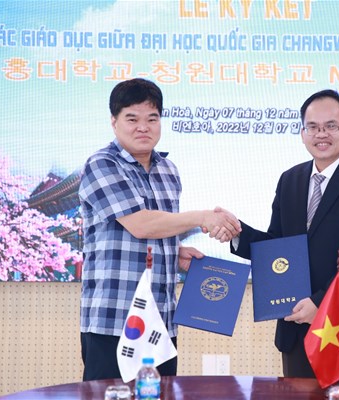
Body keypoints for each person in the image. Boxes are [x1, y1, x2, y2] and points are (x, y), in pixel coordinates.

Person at [79, 78, 240, 381]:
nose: (143, 127)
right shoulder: (101, 164)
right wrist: (202, 217)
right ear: (114, 122)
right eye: (132, 119)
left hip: (162, 322)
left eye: (152, 119)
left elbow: (156, 230)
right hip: (115, 320)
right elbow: (141, 224)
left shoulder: (168, 170)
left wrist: (174, 252)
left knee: (161, 395)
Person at [228, 89, 339, 380]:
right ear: (303, 133)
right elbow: (277, 246)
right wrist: (236, 232)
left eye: (331, 126)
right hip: (295, 325)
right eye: (313, 127)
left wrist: (318, 302)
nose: (321, 134)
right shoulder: (290, 179)